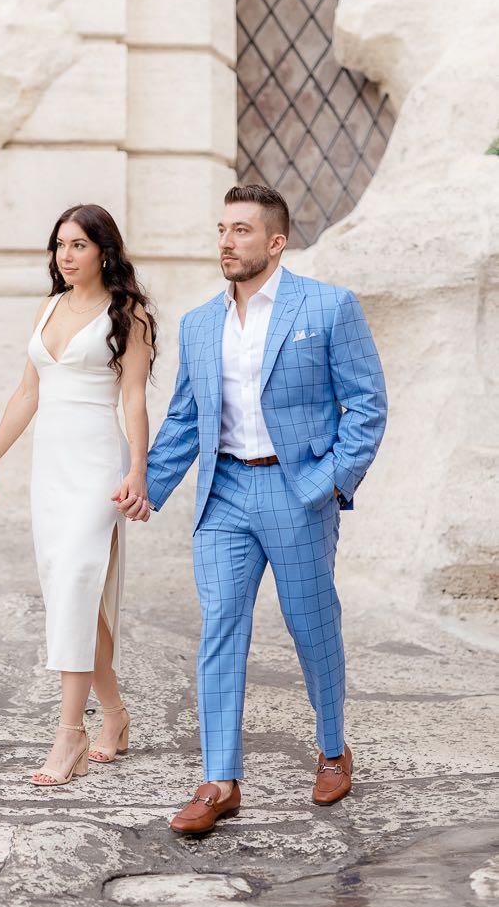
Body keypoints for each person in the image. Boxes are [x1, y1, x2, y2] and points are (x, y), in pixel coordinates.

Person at [117, 184, 387, 833]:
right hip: (224, 495)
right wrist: (146, 483)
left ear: (274, 242)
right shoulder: (200, 322)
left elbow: (367, 405)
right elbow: (186, 418)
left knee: (310, 626)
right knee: (219, 630)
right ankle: (218, 781)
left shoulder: (326, 307)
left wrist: (324, 483)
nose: (225, 243)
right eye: (220, 230)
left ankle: (330, 751)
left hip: (296, 493)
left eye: (239, 231)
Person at [0, 203, 156, 786]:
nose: (65, 256)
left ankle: (69, 734)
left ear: (104, 249)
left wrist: (138, 470)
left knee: (77, 583)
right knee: (72, 596)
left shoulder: (129, 315)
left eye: (77, 245)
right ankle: (117, 717)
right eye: (59, 245)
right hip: (50, 469)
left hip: (99, 466)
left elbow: (133, 399)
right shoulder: (47, 307)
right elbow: (28, 391)